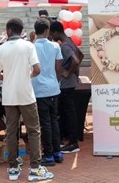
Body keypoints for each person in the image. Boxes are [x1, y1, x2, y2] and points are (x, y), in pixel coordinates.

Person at [0, 18, 54, 182]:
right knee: (33, 130)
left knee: (11, 132)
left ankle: (12, 168)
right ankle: (35, 168)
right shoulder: (28, 46)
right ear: (21, 31)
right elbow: (37, 69)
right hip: (26, 94)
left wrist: (9, 77)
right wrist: (27, 76)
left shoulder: (1, 49)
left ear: (9, 31)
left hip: (9, 95)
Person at [31, 18, 64, 166]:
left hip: (38, 89)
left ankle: (49, 154)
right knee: (54, 120)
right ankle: (57, 152)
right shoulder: (55, 46)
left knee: (44, 123)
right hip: (53, 89)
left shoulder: (30, 47)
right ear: (47, 30)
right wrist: (55, 82)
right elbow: (59, 68)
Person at [49, 20, 83, 154]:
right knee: (67, 111)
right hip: (71, 82)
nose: (51, 36)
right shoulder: (69, 41)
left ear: (56, 32)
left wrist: (68, 72)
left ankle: (73, 142)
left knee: (67, 112)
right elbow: (80, 55)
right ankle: (70, 140)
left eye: (52, 33)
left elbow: (75, 59)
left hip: (66, 84)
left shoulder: (64, 46)